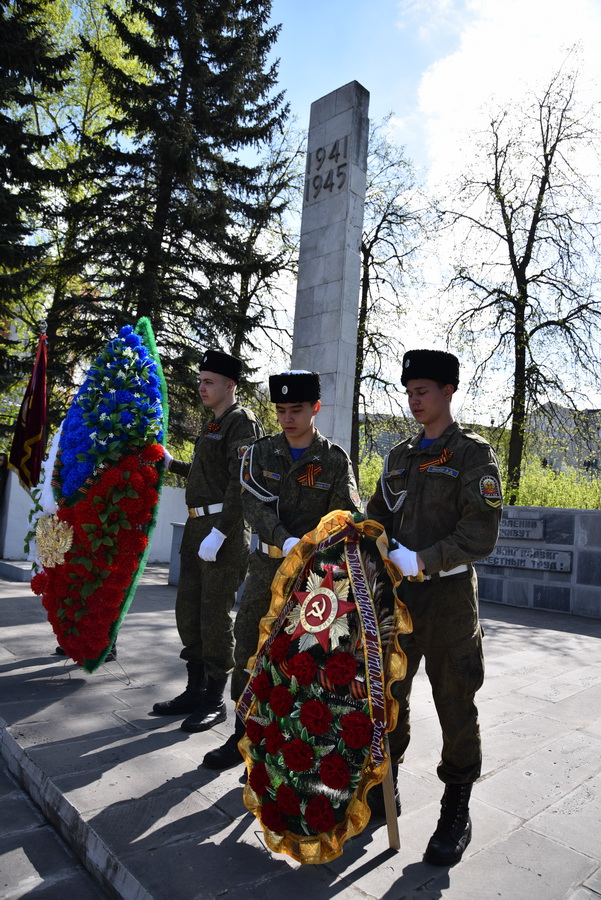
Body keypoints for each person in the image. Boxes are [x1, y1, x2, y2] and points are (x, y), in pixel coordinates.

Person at [366, 349, 502, 867]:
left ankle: (456, 810)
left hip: (448, 602)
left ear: (448, 391)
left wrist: (424, 559)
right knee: (389, 698)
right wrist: (364, 541)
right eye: (409, 392)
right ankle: (386, 789)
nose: (414, 400)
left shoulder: (472, 455)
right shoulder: (399, 456)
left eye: (422, 391)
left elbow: (480, 531)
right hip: (400, 601)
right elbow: (377, 515)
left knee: (455, 704)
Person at [202, 370, 363, 769]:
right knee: (248, 648)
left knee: (297, 658)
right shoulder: (261, 452)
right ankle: (241, 735)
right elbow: (251, 503)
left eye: (297, 409)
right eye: (281, 410)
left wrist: (308, 547)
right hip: (265, 567)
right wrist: (282, 538)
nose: (288, 418)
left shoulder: (333, 460)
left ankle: (277, 745)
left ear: (315, 408)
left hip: (311, 579)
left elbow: (346, 515)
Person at [152, 350, 263, 733]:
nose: (201, 387)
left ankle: (215, 700)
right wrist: (173, 465)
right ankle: (194, 691)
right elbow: (207, 475)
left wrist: (221, 532)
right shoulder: (213, 423)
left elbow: (240, 482)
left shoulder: (241, 422)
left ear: (230, 385)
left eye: (209, 381)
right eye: (200, 380)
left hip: (222, 531)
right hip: (197, 526)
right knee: (189, 613)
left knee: (214, 617)